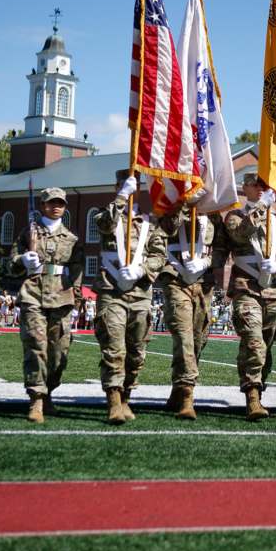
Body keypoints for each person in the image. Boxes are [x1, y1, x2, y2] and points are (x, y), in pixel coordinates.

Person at [93, 170, 168, 424]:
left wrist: (142, 269)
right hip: (111, 290)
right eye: (123, 185)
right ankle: (113, 401)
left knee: (137, 351)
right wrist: (122, 197)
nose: (128, 188)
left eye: (132, 185)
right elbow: (104, 225)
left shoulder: (149, 223)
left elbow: (160, 255)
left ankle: (125, 396)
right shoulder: (107, 215)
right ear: (118, 186)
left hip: (140, 292)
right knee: (114, 347)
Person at [224, 173, 276, 420]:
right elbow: (241, 234)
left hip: (274, 291)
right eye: (255, 186)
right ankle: (252, 396)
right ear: (245, 188)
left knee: (265, 346)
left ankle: (258, 386)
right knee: (254, 342)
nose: (260, 189)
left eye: (264, 186)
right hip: (246, 287)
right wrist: (262, 206)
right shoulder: (235, 216)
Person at [9, 187, 84, 424]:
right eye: (51, 202)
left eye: (60, 203)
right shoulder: (27, 233)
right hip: (33, 294)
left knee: (59, 352)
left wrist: (78, 300)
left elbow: (77, 271)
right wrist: (23, 260)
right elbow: (11, 264)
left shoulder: (72, 239)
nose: (56, 206)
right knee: (35, 346)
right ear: (42, 205)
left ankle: (49, 391)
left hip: (61, 297)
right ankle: (36, 399)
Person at [158, 200, 227, 420]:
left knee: (198, 339)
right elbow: (165, 230)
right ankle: (187, 395)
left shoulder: (214, 214)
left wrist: (207, 262)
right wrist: (181, 203)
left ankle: (177, 389)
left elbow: (222, 248)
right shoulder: (171, 204)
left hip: (203, 282)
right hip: (176, 277)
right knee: (184, 335)